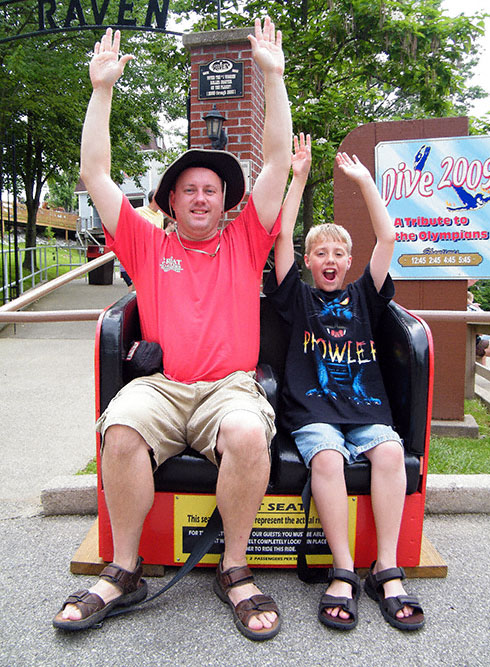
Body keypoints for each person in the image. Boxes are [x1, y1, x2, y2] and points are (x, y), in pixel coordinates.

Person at [53, 17, 292, 641]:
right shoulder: (144, 242)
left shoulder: (247, 241)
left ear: (225, 201)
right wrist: (101, 91)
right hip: (164, 386)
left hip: (230, 386)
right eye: (188, 190)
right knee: (123, 424)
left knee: (245, 430)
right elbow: (97, 177)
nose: (201, 198)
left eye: (211, 190)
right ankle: (125, 568)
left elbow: (274, 162)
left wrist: (273, 74)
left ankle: (234, 566)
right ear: (170, 201)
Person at [263, 133, 425, 631]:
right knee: (328, 459)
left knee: (392, 453)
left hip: (366, 411)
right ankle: (343, 569)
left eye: (338, 252)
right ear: (308, 262)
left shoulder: (365, 296)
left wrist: (364, 182)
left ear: (348, 262)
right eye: (320, 253)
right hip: (314, 413)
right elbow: (281, 234)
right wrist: (298, 178)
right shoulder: (298, 298)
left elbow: (389, 239)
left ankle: (387, 568)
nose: (329, 260)